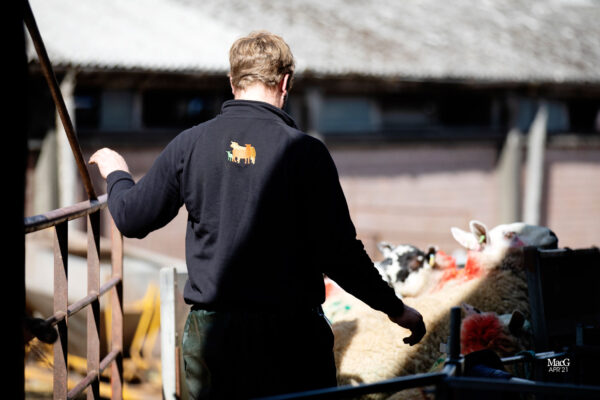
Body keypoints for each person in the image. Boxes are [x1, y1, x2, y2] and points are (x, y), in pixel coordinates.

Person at [90, 30, 425, 399]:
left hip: (214, 339)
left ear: (233, 82)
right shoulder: (306, 152)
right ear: (285, 83)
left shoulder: (191, 143)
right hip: (292, 338)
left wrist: (117, 173)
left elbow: (132, 219)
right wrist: (395, 309)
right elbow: (341, 253)